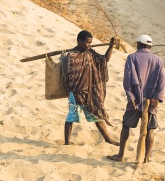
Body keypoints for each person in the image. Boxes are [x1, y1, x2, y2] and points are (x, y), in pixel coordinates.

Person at [107, 35, 165, 163]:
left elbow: (128, 80)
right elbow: (161, 81)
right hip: (151, 101)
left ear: (139, 44)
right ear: (149, 46)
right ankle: (146, 158)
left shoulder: (132, 57)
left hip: (136, 99)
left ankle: (120, 155)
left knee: (126, 125)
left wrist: (131, 97)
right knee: (150, 129)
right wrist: (156, 98)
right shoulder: (158, 60)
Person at [63, 30, 119, 146]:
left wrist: (111, 46)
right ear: (79, 41)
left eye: (90, 43)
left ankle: (108, 139)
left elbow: (104, 60)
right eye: (87, 42)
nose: (89, 45)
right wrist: (76, 93)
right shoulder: (71, 56)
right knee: (71, 117)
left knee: (97, 115)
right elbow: (70, 78)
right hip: (76, 93)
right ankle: (67, 142)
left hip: (90, 92)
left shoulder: (90, 53)